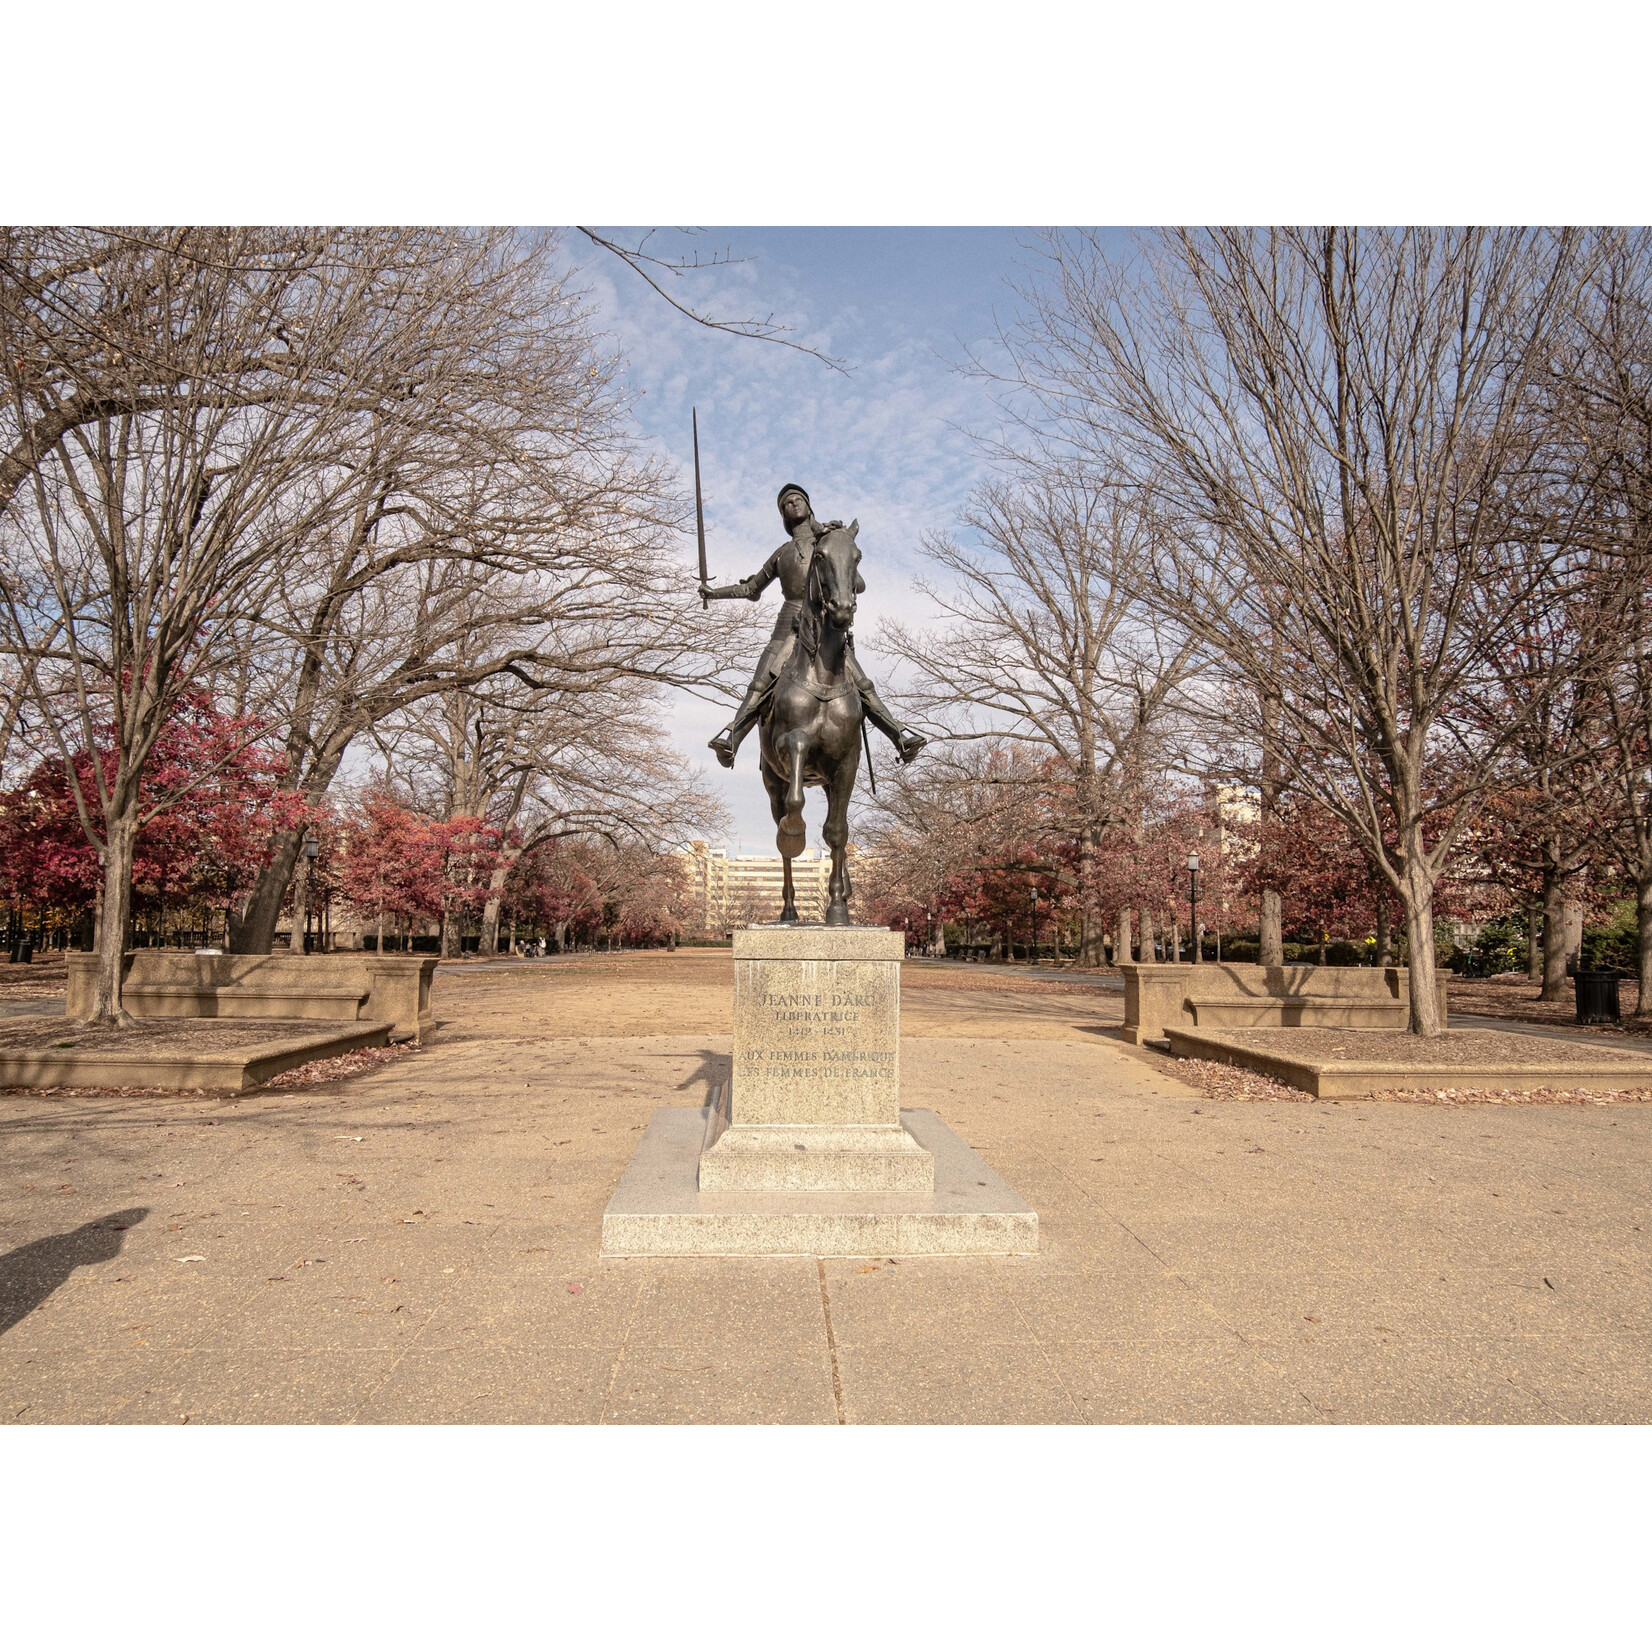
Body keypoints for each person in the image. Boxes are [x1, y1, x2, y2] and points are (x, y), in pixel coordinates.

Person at [702, 483, 926, 768]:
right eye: (786, 503)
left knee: (863, 684)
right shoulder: (782, 553)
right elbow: (751, 590)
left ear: (808, 505)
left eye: (798, 499)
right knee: (759, 685)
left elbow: (858, 584)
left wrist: (841, 558)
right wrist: (713, 593)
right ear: (783, 515)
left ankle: (899, 736)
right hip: (787, 626)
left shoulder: (829, 541)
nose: (793, 504)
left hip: (825, 629)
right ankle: (732, 739)